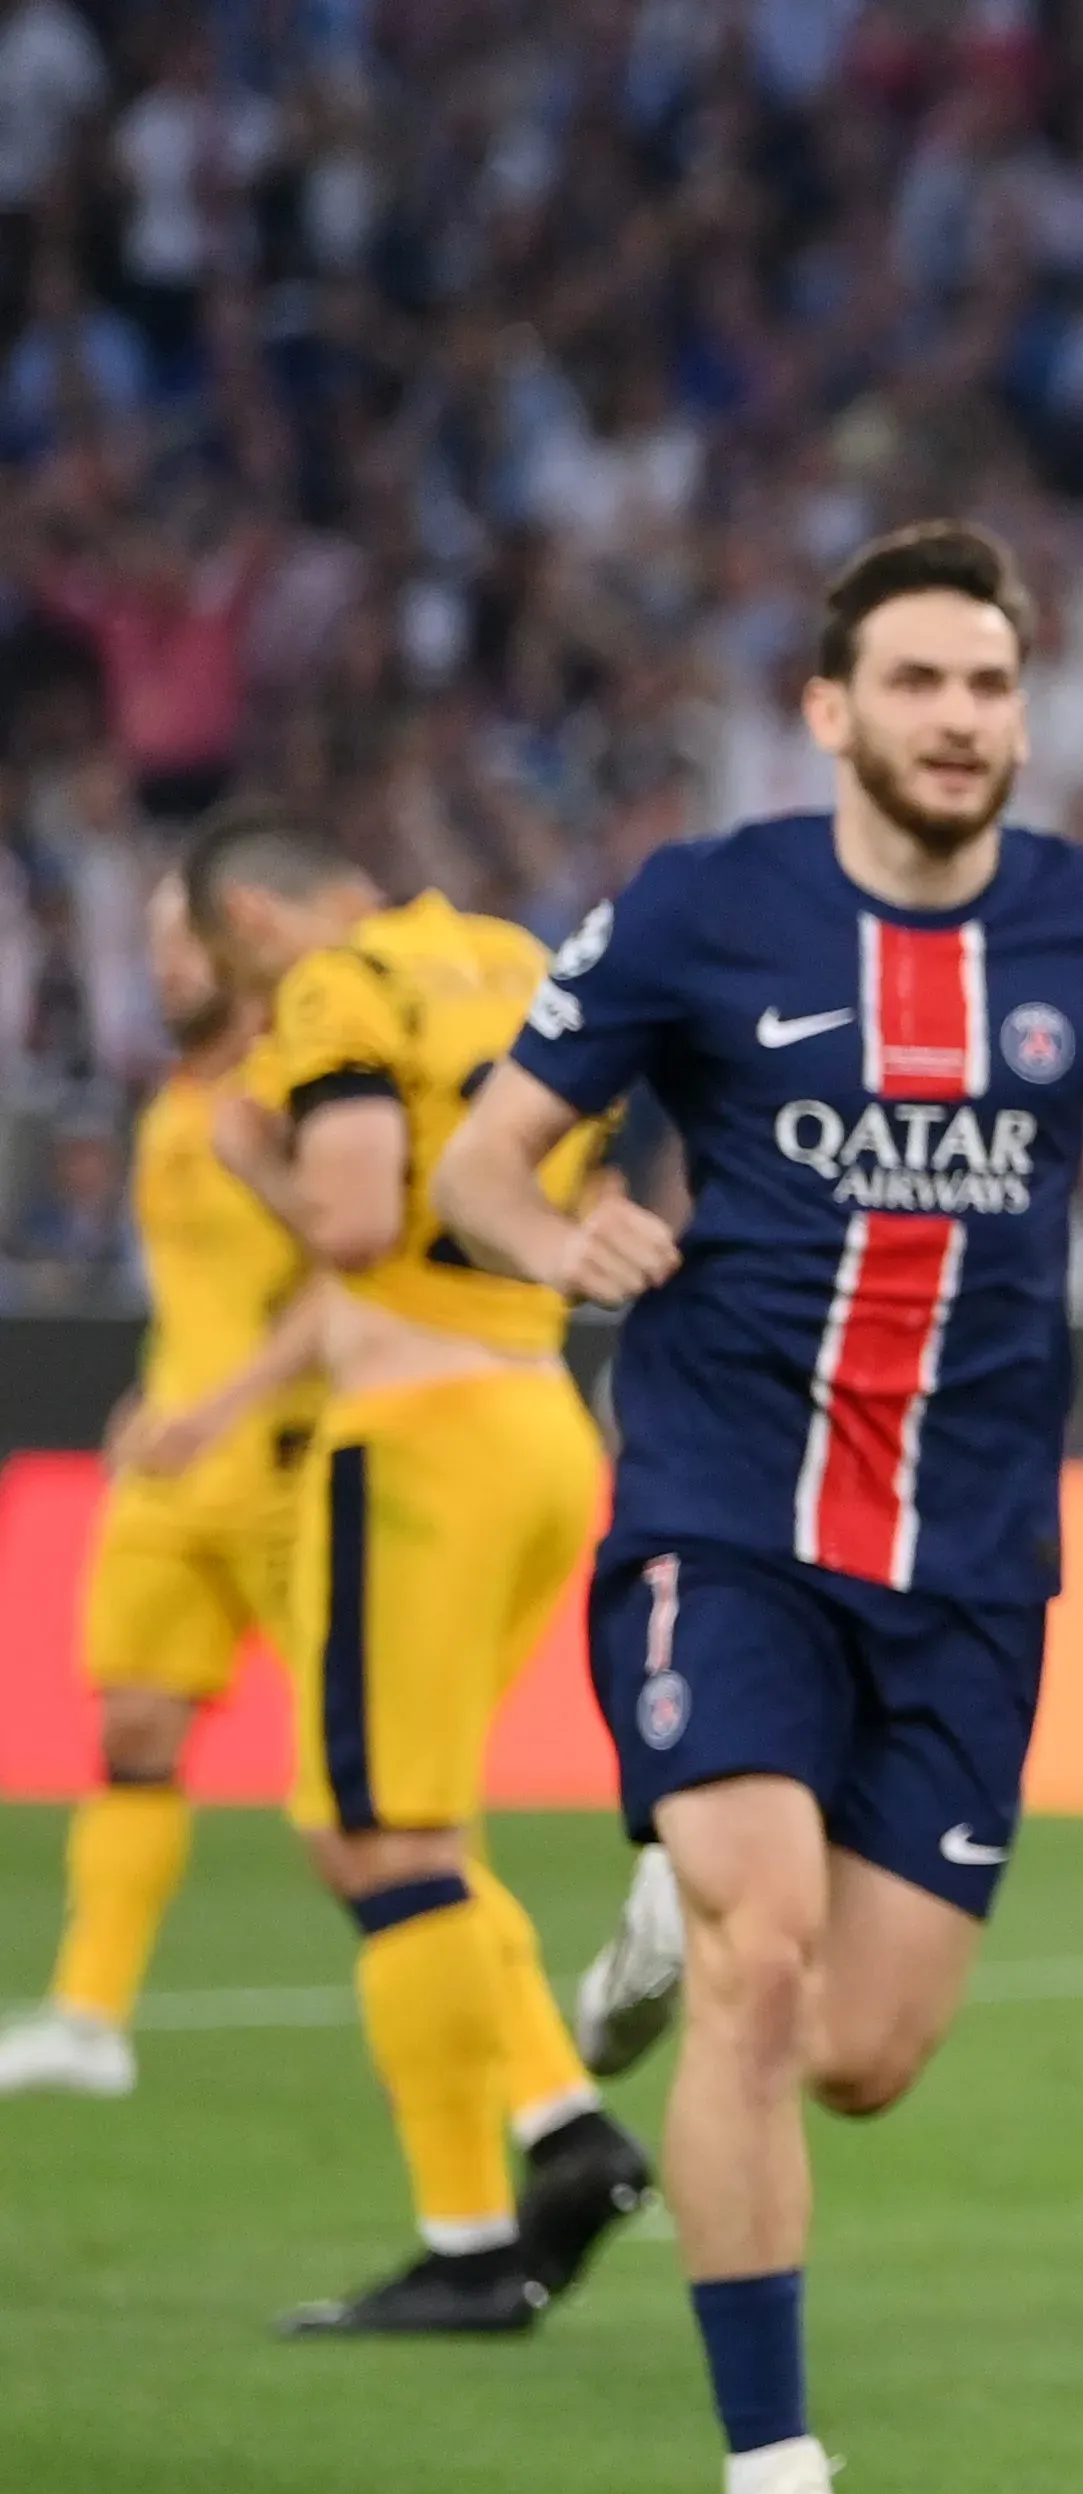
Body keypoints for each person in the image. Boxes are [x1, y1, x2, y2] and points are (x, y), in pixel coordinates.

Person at [434, 520, 1083, 2494]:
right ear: (829, 710)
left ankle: (660, 1920)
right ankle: (773, 2470)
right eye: (916, 681)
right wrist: (562, 1236)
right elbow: (479, 1161)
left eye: (989, 684)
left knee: (858, 2055)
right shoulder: (702, 906)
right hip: (725, 1509)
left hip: (971, 1550)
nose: (957, 717)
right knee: (765, 1960)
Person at [178, 815, 662, 2335]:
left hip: (415, 1433)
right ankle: (547, 2145)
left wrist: (257, 1156)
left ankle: (486, 2221)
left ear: (257, 915)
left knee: (376, 1834)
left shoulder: (342, 985)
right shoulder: (519, 962)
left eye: (226, 954)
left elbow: (354, 1215)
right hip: (538, 1418)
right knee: (401, 1831)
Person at [0, 873, 314, 2098]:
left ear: (248, 941)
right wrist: (157, 1390)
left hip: (292, 1460)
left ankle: (532, 2078)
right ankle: (90, 2017)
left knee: (374, 1791)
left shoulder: (301, 1088)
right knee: (133, 1726)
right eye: (155, 941)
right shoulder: (174, 1098)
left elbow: (352, 1276)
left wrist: (226, 1401)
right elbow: (205, 1292)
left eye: (185, 940)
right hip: (172, 1464)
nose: (166, 964)